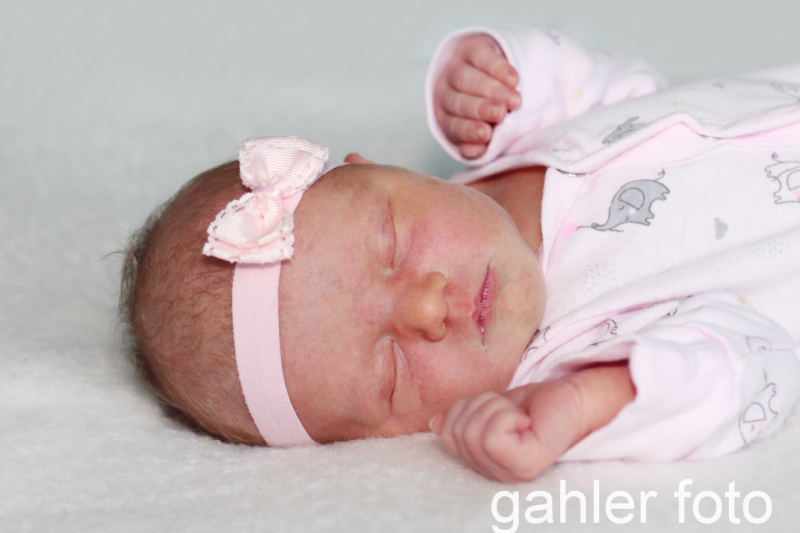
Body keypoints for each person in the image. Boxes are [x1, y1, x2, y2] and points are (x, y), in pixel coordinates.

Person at [121, 26, 800, 482]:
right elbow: (747, 364)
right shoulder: (571, 352)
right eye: (391, 372)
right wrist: (584, 401)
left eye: (393, 242)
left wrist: (493, 74)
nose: (425, 307)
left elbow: (628, 91)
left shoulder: (519, 137)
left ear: (376, 168)